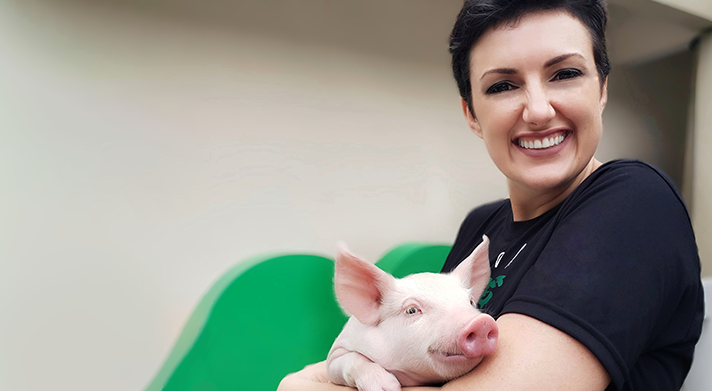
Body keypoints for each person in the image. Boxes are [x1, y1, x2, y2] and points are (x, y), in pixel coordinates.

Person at [278, 0, 705, 390]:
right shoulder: (481, 227)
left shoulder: (634, 203)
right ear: (472, 113)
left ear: (602, 89)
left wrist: (303, 383)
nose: (538, 111)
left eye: (565, 74)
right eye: (503, 86)